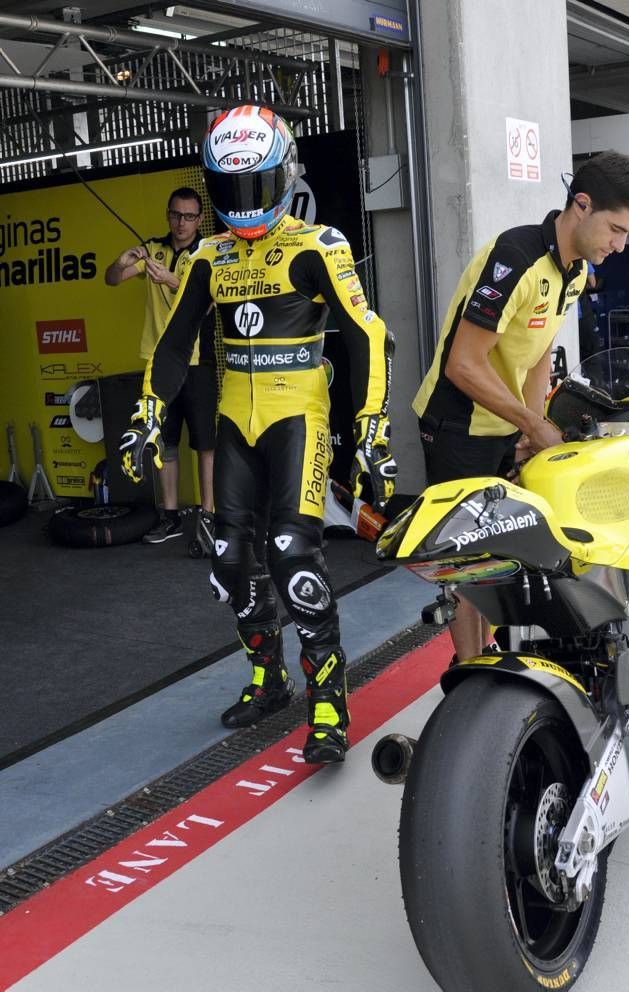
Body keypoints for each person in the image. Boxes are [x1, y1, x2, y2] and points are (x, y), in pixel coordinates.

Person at [119, 105, 396, 764]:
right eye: (230, 191)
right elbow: (173, 342)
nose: (243, 205)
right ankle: (268, 677)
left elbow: (368, 337)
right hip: (234, 424)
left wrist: (372, 434)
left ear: (284, 175)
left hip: (298, 417)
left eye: (255, 187)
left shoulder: (318, 245)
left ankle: (328, 700)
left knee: (292, 554)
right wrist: (148, 414)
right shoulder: (208, 257)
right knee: (229, 560)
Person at [413, 150, 629, 663]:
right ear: (581, 205)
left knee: (507, 554)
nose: (619, 245)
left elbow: (539, 350)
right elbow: (463, 365)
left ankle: (495, 661)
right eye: (615, 229)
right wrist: (530, 422)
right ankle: (471, 674)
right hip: (457, 423)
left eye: (627, 234)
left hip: (503, 423)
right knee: (470, 563)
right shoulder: (517, 256)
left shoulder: (572, 270)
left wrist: (534, 426)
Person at [105, 187, 216, 545]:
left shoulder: (209, 252)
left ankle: (210, 515)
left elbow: (215, 300)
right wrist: (121, 263)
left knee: (205, 444)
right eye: (175, 215)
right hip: (159, 364)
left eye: (188, 216)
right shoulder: (152, 248)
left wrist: (171, 281)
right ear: (167, 215)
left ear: (199, 219)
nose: (181, 223)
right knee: (164, 442)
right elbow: (112, 279)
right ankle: (170, 516)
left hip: (198, 362)